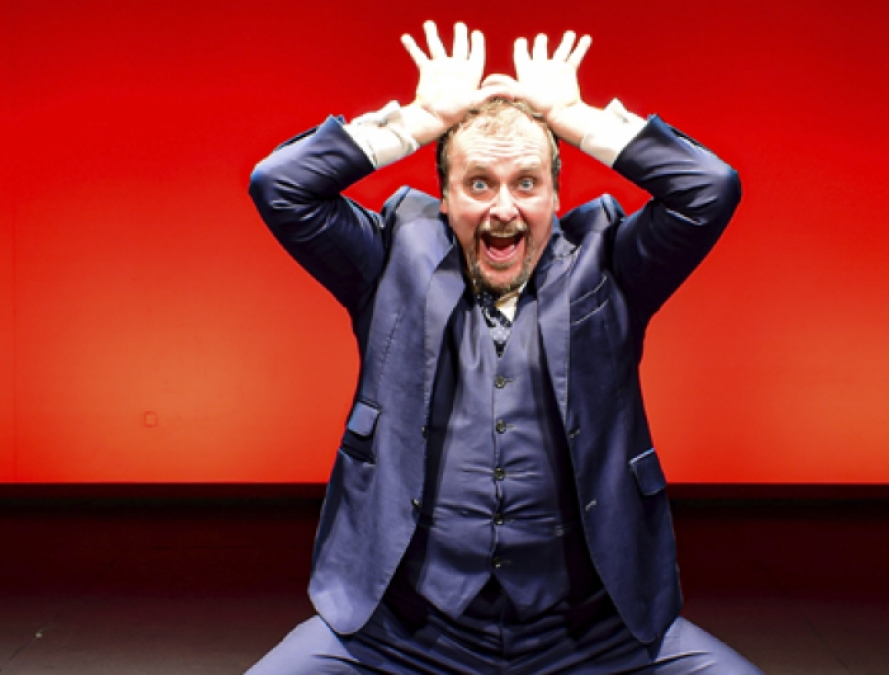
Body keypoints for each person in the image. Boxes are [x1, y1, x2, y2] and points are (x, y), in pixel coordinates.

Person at [247, 20, 759, 674]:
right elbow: (279, 185)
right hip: (403, 631)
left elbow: (709, 188)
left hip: (592, 632)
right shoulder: (391, 256)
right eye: (479, 183)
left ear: (555, 194)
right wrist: (420, 120)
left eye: (526, 183)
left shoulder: (609, 262)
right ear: (444, 197)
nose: (503, 209)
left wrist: (573, 118)